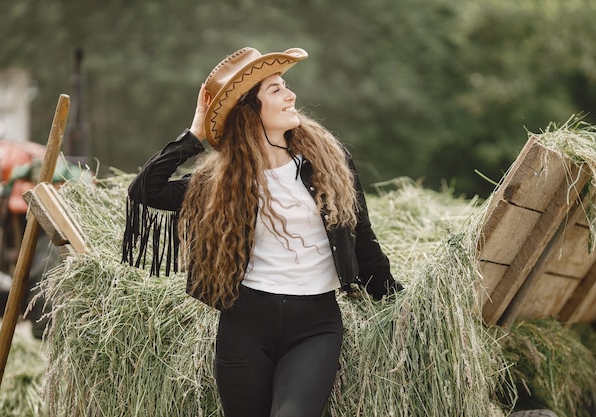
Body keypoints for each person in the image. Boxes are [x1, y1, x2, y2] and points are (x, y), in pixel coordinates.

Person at [122, 47, 402, 417]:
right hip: (245, 326)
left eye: (286, 86)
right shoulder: (222, 180)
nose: (291, 96)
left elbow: (362, 236)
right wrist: (196, 131)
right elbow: (146, 190)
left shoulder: (327, 163)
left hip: (315, 325)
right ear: (249, 111)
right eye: (276, 90)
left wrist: (397, 306)